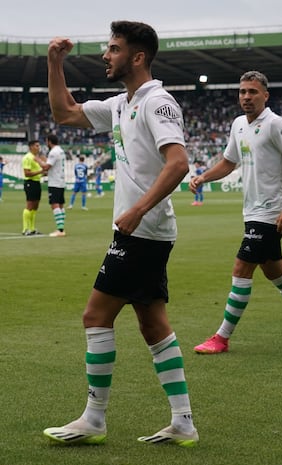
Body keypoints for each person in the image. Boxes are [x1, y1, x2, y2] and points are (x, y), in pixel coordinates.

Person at [43, 21, 198, 447]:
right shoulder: (120, 104)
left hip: (142, 232)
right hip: (146, 231)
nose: (105, 56)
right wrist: (54, 63)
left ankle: (94, 418)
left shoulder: (158, 102)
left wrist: (137, 210)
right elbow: (65, 113)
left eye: (113, 49)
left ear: (138, 56)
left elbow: (179, 163)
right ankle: (182, 422)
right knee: (153, 324)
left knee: (95, 316)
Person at [190, 70, 282, 354]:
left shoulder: (277, 124)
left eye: (252, 92)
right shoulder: (238, 124)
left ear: (265, 95)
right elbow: (229, 163)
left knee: (242, 268)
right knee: (275, 272)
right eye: (242, 92)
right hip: (252, 210)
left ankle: (222, 337)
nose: (246, 97)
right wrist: (203, 177)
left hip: (271, 212)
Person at [42, 134, 67, 237]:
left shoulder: (53, 152)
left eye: (46, 141)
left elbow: (46, 167)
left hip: (54, 182)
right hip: (61, 181)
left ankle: (60, 230)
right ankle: (61, 228)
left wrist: (37, 159)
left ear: (49, 141)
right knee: (60, 205)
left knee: (55, 204)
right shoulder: (60, 150)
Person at [21, 140, 45, 235]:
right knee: (30, 205)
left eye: (39, 146)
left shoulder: (36, 158)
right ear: (31, 147)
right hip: (30, 182)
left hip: (36, 182)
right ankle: (25, 228)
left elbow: (37, 171)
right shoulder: (27, 157)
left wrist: (43, 173)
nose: (38, 147)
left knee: (35, 206)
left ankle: (32, 228)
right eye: (36, 146)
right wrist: (40, 172)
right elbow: (27, 173)